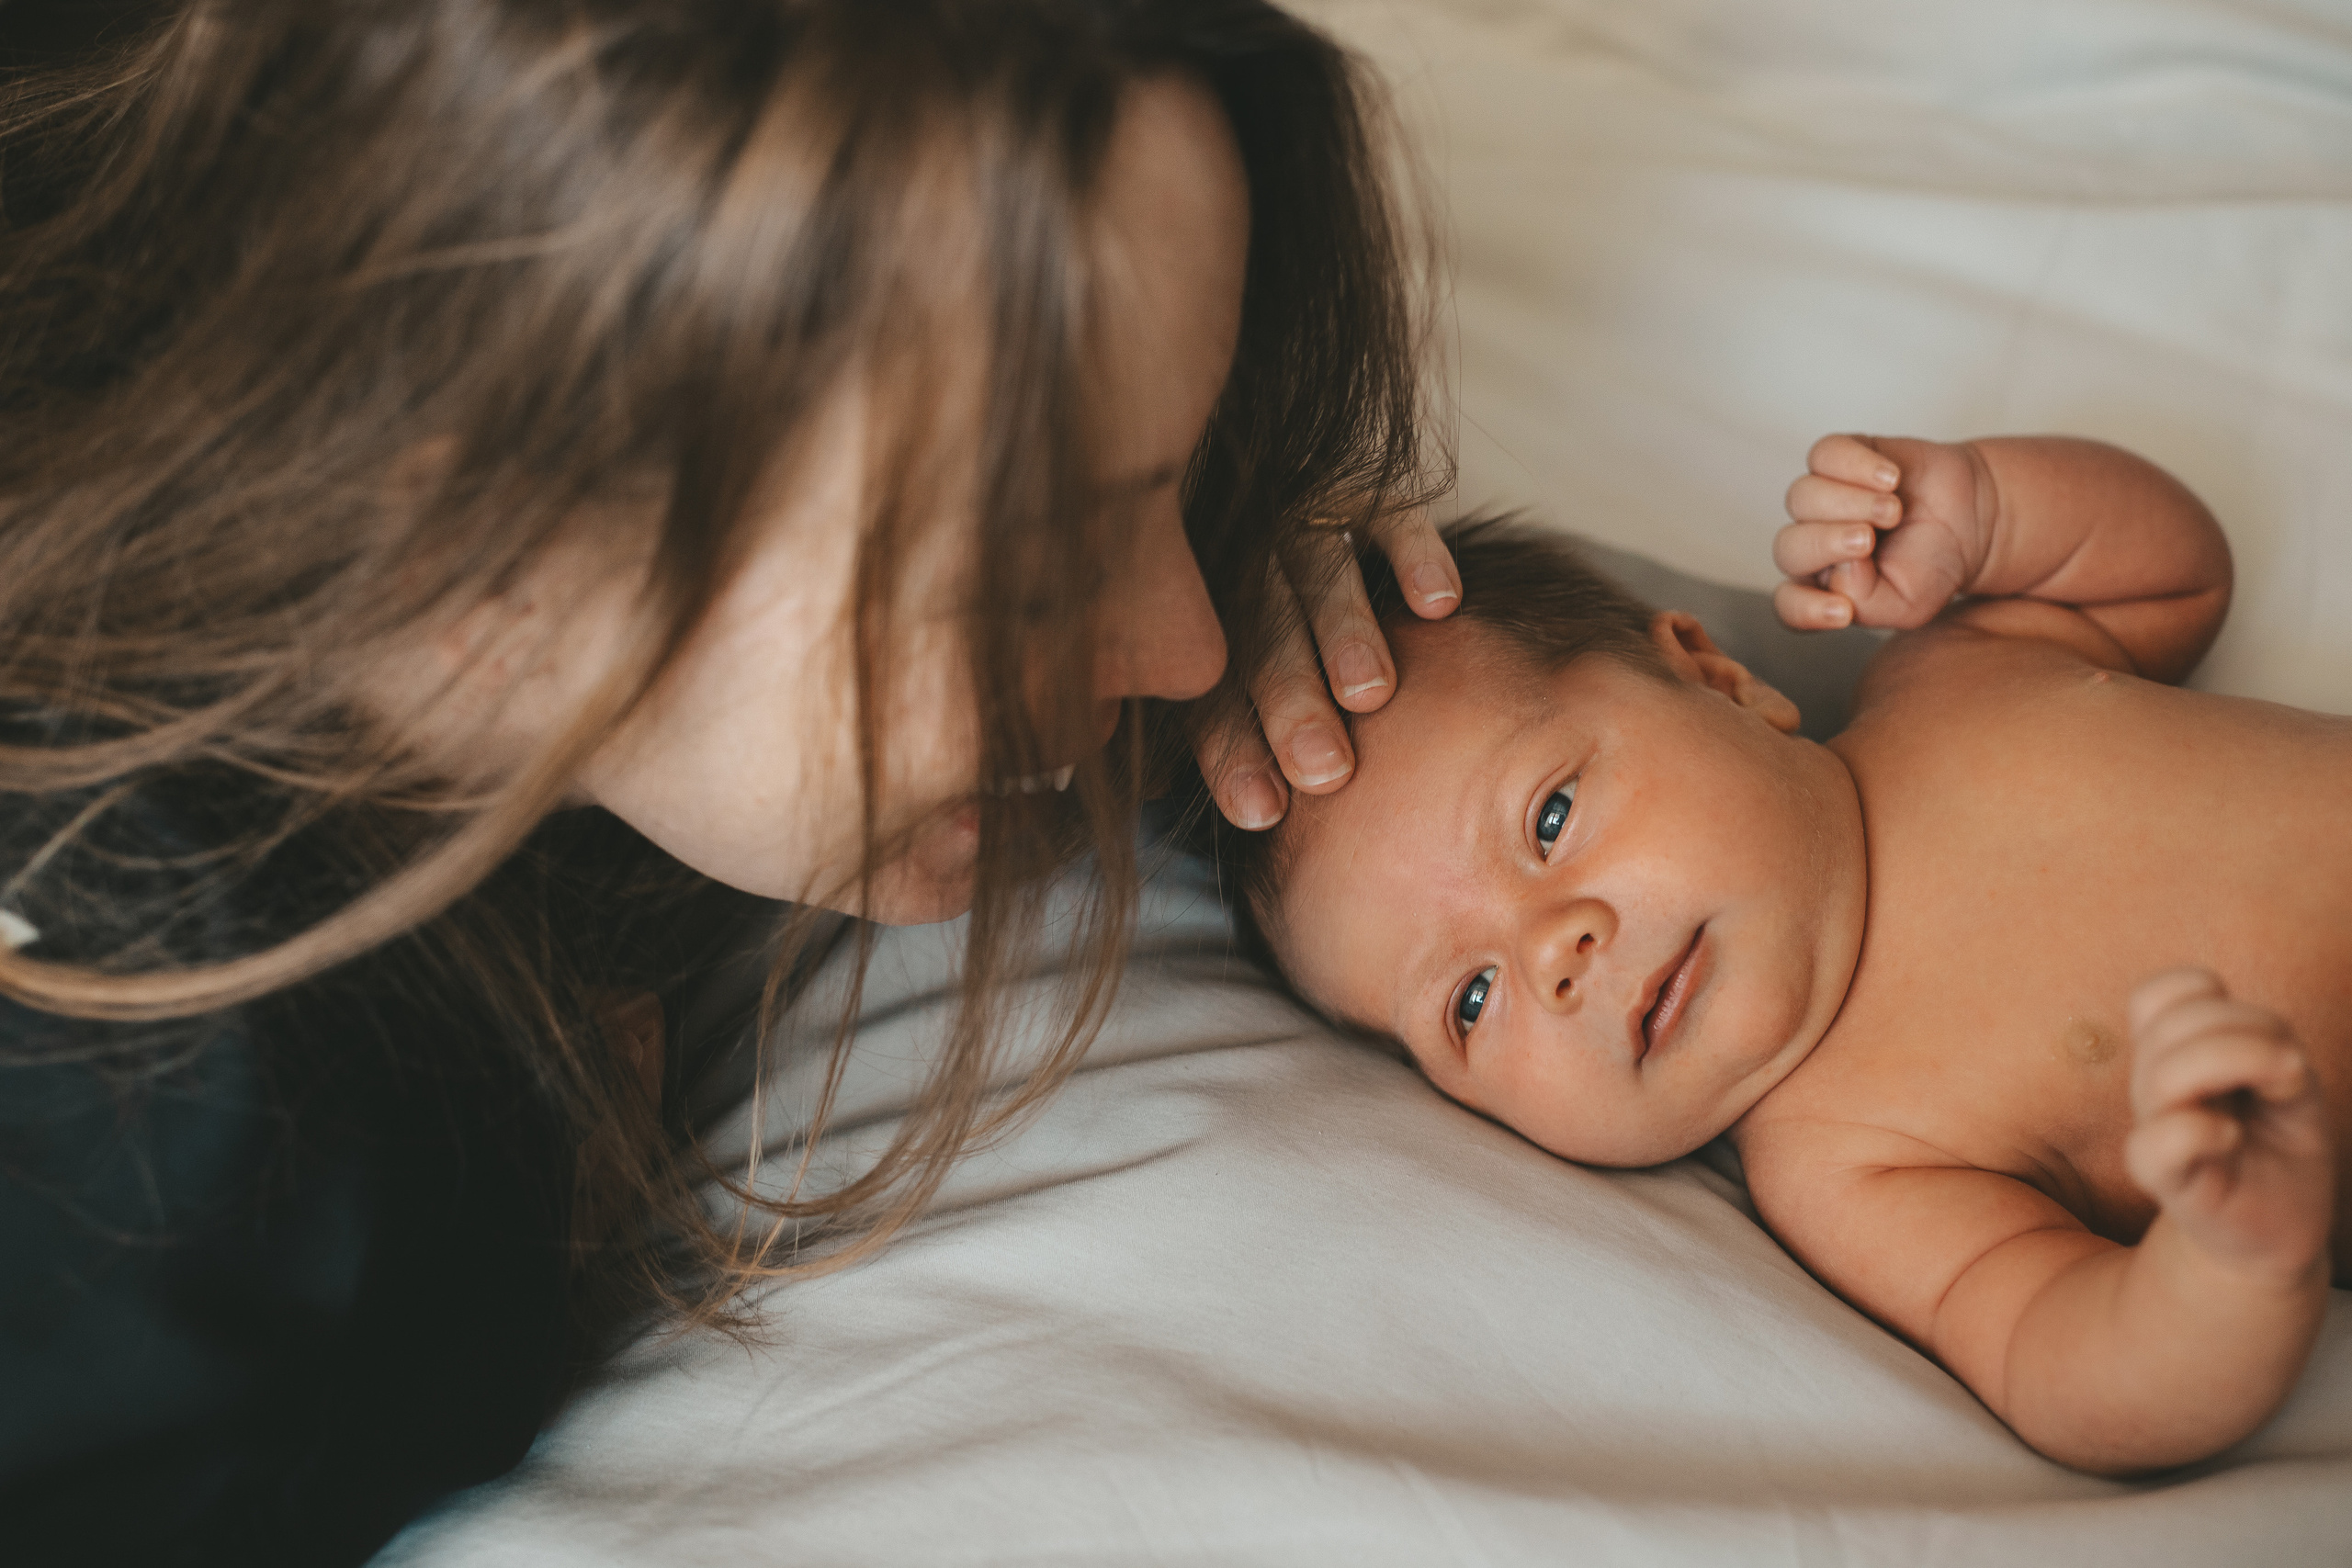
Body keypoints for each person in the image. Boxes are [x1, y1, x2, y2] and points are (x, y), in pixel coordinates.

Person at [0, 2, 1464, 1561]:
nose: (1181, 647)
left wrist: (1276, 525)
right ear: (498, 499)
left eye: (1178, 478)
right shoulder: (163, 1159)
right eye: (1044, 552)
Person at [1222, 434, 2347, 1475]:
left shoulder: (1952, 676)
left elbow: (2169, 576)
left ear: (1717, 678)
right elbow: (2060, 1363)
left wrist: (1985, 509)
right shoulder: (1849, 1163)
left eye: (1550, 819)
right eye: (1469, 1000)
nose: (1553, 957)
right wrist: (2230, 1262)